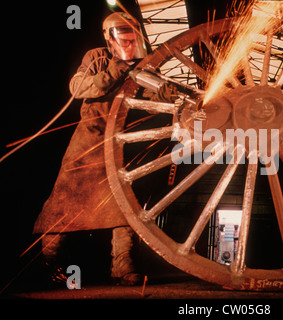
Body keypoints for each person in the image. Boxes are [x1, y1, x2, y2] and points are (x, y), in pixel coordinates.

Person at [33, 12, 177, 286]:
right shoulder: (96, 57)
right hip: (87, 139)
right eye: (121, 34)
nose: (126, 39)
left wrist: (167, 92)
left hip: (117, 141)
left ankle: (123, 266)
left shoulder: (144, 67)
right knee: (64, 204)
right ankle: (46, 263)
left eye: (130, 34)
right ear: (110, 37)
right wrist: (113, 71)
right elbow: (78, 87)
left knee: (122, 205)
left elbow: (153, 98)